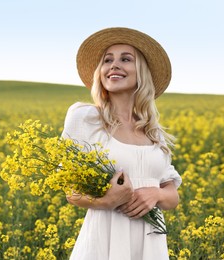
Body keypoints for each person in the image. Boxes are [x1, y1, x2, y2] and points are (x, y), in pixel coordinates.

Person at [61, 27, 182, 259]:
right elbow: (71, 191)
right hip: (103, 242)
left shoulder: (153, 132)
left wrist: (155, 194)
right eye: (108, 60)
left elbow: (172, 194)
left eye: (125, 59)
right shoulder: (85, 118)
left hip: (150, 246)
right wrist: (108, 200)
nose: (114, 65)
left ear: (142, 73)